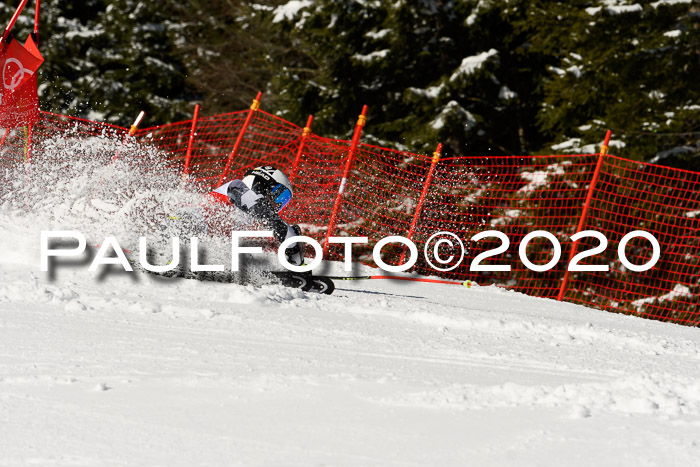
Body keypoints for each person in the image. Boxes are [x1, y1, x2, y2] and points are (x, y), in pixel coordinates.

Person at [209, 166, 304, 267]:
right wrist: (294, 248)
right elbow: (268, 215)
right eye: (277, 196)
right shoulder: (236, 187)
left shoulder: (246, 213)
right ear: (261, 184)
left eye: (283, 200)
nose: (278, 205)